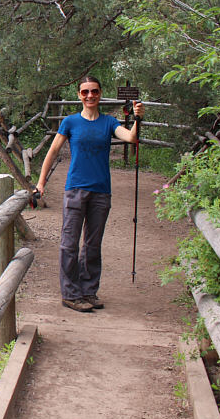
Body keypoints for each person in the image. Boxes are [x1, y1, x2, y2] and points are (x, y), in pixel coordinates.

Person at [35, 76, 144, 312]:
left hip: (101, 192)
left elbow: (131, 138)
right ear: (79, 95)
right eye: (85, 92)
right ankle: (71, 294)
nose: (90, 96)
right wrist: (41, 183)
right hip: (75, 189)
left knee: (93, 245)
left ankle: (88, 290)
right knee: (69, 244)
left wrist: (137, 119)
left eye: (94, 91)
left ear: (100, 93)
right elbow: (52, 151)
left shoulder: (109, 122)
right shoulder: (70, 122)